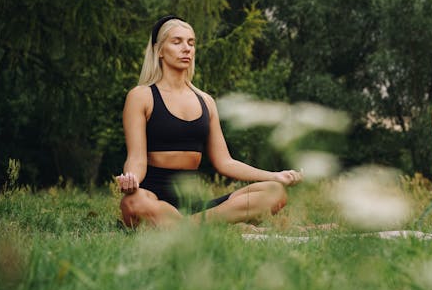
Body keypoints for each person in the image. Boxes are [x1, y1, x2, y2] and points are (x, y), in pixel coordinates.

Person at [116, 16, 301, 228]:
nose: (186, 48)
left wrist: (276, 176)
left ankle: (184, 226)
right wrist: (132, 181)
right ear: (159, 50)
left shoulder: (206, 101)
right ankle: (213, 225)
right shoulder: (141, 96)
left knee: (274, 192)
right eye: (177, 42)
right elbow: (136, 159)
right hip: (153, 198)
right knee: (132, 202)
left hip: (196, 205)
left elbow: (225, 162)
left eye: (191, 43)